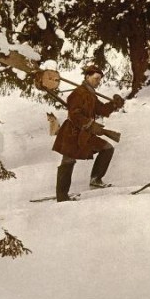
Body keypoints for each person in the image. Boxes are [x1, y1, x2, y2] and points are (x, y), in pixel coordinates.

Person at [52, 65, 125, 202]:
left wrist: (114, 104)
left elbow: (102, 110)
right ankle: (62, 196)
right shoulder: (78, 94)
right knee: (68, 161)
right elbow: (74, 115)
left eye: (99, 79)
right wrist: (90, 124)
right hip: (72, 132)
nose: (98, 82)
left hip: (85, 133)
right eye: (96, 78)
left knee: (107, 148)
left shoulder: (91, 95)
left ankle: (96, 179)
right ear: (87, 77)